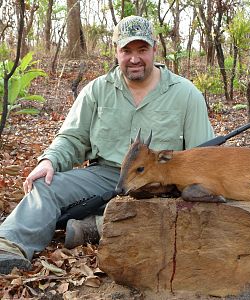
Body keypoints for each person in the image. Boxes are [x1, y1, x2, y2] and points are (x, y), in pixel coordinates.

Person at [0, 15, 214, 274]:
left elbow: (204, 156)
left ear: (155, 50)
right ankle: (10, 245)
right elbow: (72, 137)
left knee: (186, 210)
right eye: (127, 50)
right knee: (45, 186)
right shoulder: (96, 91)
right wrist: (49, 161)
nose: (134, 58)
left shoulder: (185, 94)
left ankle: (96, 226)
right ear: (116, 52)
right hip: (105, 176)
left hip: (162, 185)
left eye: (142, 50)